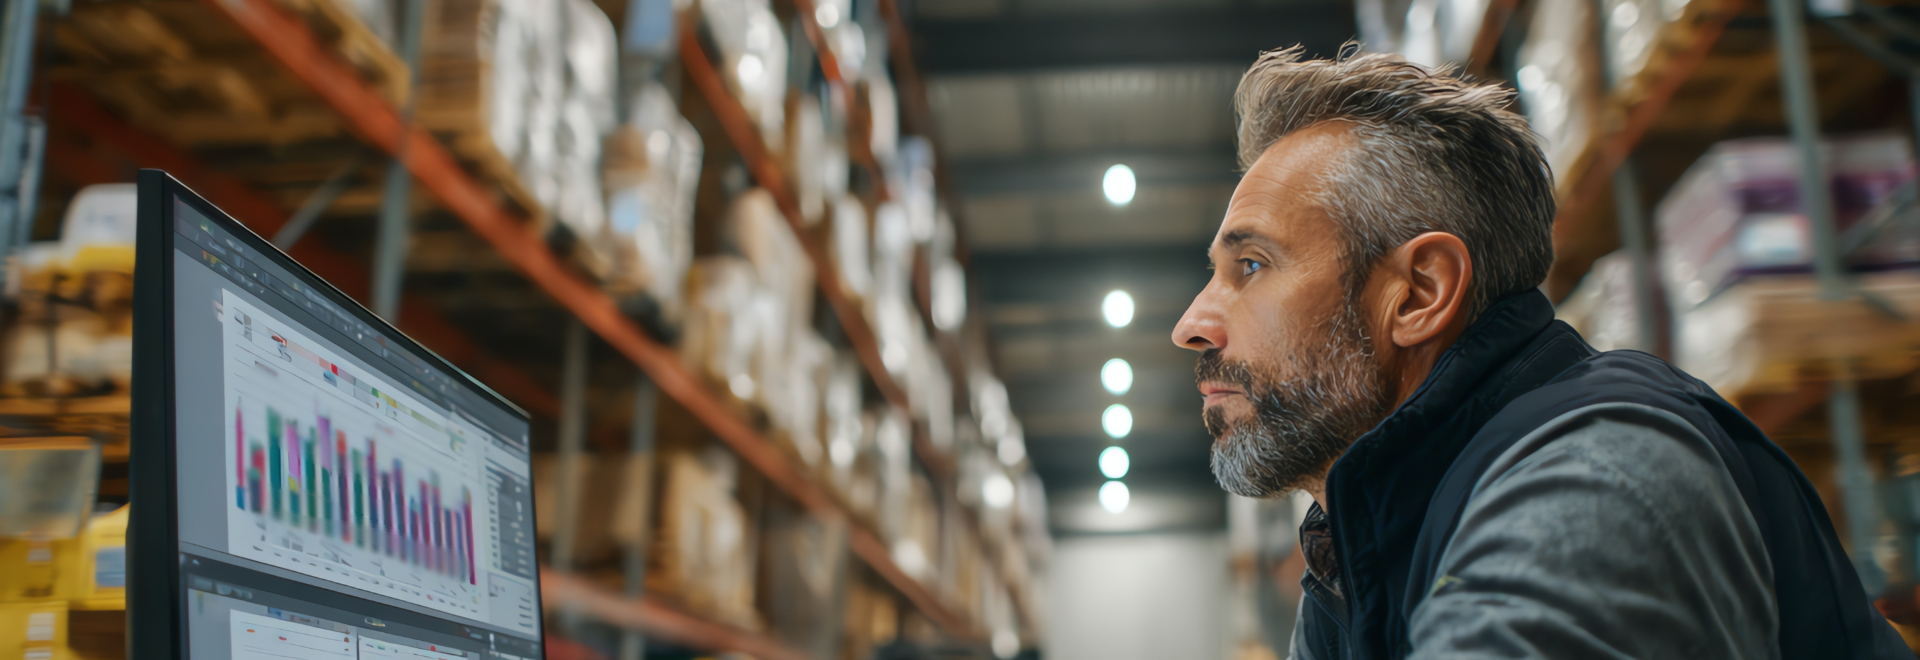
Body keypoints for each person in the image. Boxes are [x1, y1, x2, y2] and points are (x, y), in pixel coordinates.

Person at [1170, 46, 1910, 659]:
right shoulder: (1359, 557)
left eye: (1252, 267)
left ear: (1420, 292)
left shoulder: (1601, 466)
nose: (1192, 324)